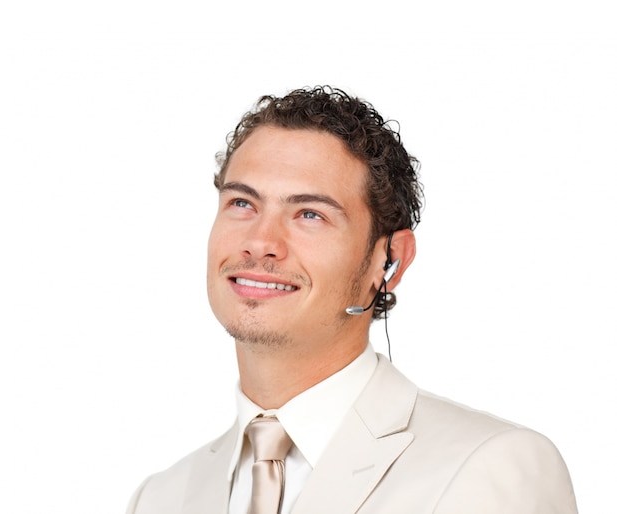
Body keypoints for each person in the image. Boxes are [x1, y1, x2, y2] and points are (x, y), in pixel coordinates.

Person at [126, 86, 577, 513]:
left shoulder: (490, 468)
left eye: (309, 214)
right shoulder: (160, 497)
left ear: (391, 262)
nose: (261, 242)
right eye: (243, 203)